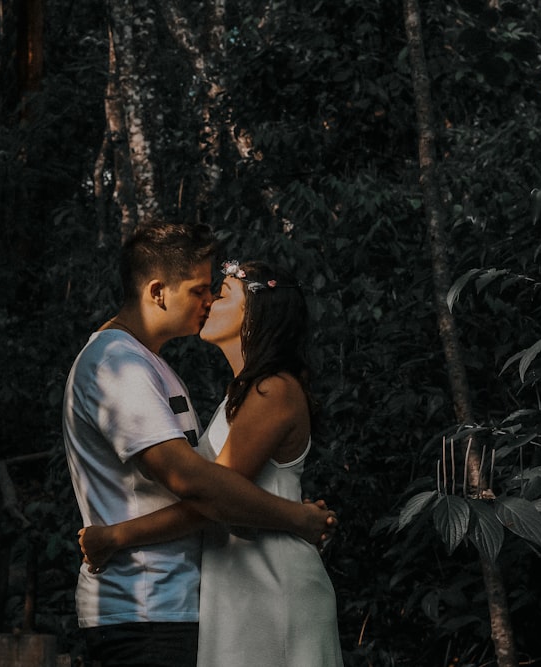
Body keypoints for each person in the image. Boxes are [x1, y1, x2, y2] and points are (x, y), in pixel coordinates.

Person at [62, 223, 336, 667]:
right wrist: (295, 516)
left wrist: (116, 536)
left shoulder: (172, 371)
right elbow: (201, 484)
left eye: (219, 293)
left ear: (257, 314)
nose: (208, 302)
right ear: (157, 291)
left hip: (223, 590)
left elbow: (215, 487)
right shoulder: (120, 364)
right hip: (153, 604)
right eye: (201, 290)